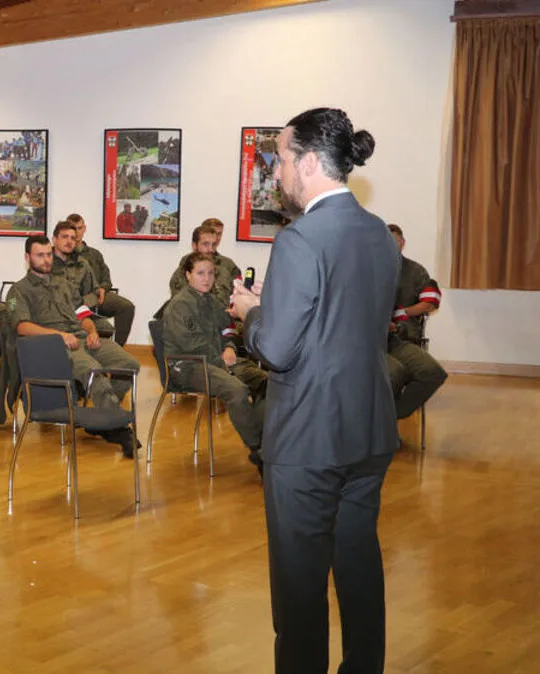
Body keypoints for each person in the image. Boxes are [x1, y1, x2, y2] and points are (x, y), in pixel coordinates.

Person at [230, 107, 397, 674]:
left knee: (300, 592)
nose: (276, 172)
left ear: (306, 162)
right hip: (368, 428)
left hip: (307, 440)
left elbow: (276, 349)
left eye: (279, 157)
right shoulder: (379, 233)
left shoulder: (299, 239)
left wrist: (251, 313)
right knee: (357, 565)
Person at [7, 235, 140, 457]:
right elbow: (22, 326)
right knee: (93, 371)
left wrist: (92, 331)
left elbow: (83, 315)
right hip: (52, 346)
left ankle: (100, 418)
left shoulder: (64, 285)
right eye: (40, 255)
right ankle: (118, 428)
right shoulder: (19, 290)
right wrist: (58, 335)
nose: (46, 259)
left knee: (129, 365)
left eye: (49, 254)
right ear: (27, 257)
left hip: (81, 338)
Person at [163, 253, 266, 469]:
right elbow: (193, 345)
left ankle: (267, 439)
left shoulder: (211, 301)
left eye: (211, 273)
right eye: (200, 273)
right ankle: (258, 450)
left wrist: (228, 347)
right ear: (188, 275)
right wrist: (223, 363)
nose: (207, 279)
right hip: (189, 366)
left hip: (216, 361)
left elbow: (227, 329)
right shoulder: (180, 305)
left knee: (265, 382)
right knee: (237, 391)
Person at [385, 224, 447, 421]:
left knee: (432, 372)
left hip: (404, 336)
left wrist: (402, 313)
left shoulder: (415, 271)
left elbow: (431, 301)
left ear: (403, 244)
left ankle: (392, 416)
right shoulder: (369, 269)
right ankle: (382, 424)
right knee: (393, 372)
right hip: (374, 338)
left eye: (395, 242)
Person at [68, 213, 135, 345]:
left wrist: (103, 289)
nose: (77, 232)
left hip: (98, 296)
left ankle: (118, 349)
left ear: (84, 228)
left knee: (127, 307)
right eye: (73, 228)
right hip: (75, 299)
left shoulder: (94, 254)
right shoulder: (63, 253)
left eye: (80, 228)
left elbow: (106, 278)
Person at [169, 221, 242, 308]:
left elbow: (238, 297)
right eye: (205, 244)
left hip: (222, 317)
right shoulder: (186, 265)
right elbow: (179, 301)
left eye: (214, 244)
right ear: (194, 246)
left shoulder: (228, 265)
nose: (211, 249)